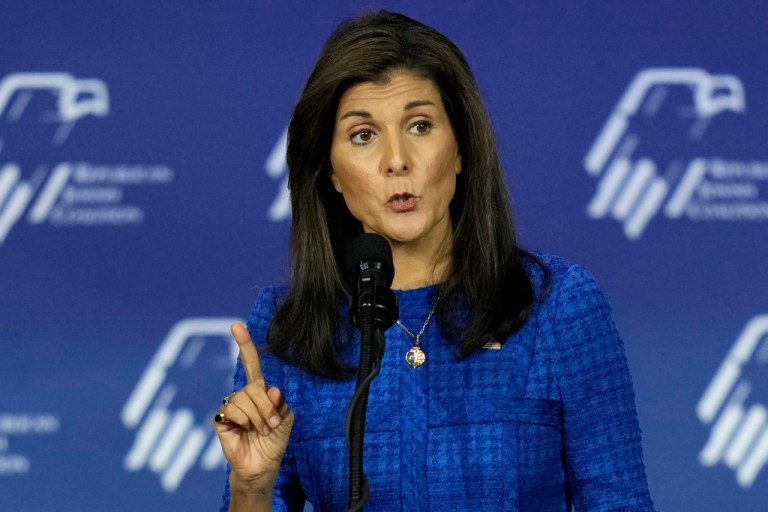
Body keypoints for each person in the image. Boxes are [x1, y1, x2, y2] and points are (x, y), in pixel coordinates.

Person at [214, 10, 655, 512]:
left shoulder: (556, 306)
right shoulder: (288, 328)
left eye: (420, 125)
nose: (396, 160)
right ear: (331, 173)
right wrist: (251, 488)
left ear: (461, 148)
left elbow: (620, 503)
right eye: (363, 134)